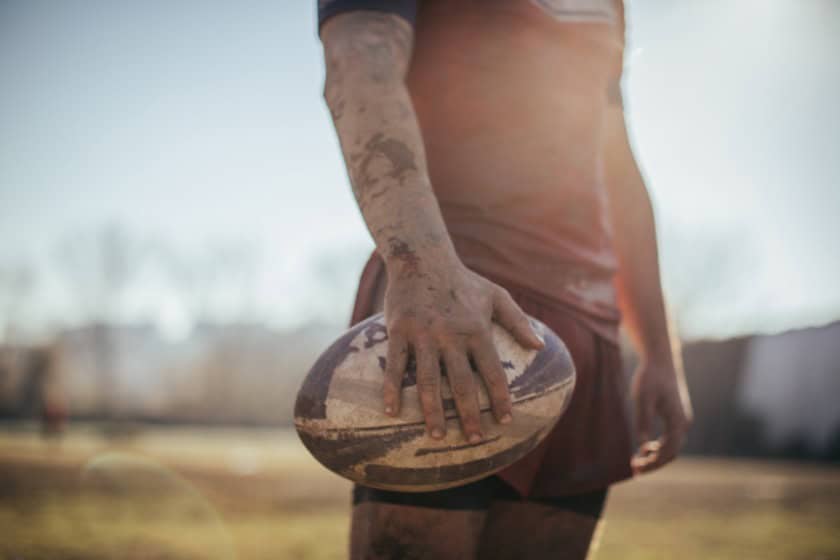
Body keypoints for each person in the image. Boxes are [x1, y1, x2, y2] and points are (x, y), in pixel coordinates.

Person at [316, 1, 692, 558]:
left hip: (587, 339)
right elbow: (360, 60)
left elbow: (614, 159)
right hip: (461, 309)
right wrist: (425, 268)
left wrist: (660, 350)